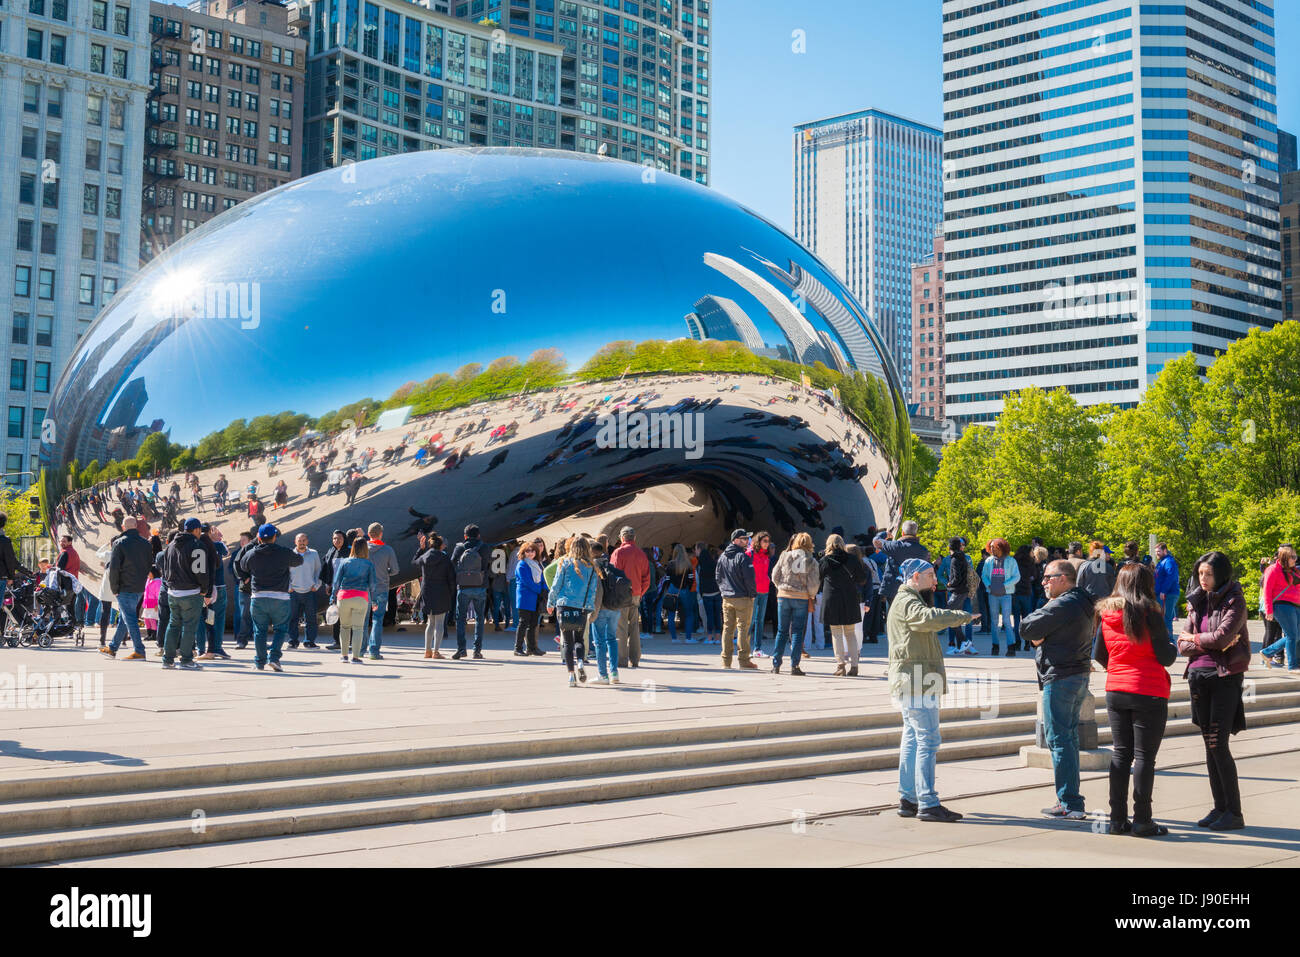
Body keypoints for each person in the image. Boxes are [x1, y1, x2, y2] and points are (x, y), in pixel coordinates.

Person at [887, 558, 977, 822]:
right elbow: (926, 618)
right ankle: (927, 801)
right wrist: (961, 616)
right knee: (927, 739)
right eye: (930, 575)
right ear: (915, 576)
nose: (935, 580)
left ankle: (909, 798)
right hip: (917, 679)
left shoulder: (905, 599)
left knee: (913, 738)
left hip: (913, 678)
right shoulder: (908, 601)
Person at [1092, 563, 1177, 837]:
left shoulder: (1107, 614)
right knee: (1143, 758)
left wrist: (1120, 666)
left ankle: (1117, 819)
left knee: (1120, 754)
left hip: (1116, 688)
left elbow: (1100, 654)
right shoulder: (1150, 612)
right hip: (1148, 689)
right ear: (1147, 584)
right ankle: (1143, 819)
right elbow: (1166, 656)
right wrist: (1174, 646)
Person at [1019, 559, 1096, 820]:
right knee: (1068, 738)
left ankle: (1070, 802)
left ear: (1064, 578)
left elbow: (1026, 627)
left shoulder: (1064, 603)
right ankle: (1071, 799)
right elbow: (1034, 632)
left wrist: (1042, 632)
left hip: (1061, 676)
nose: (1043, 582)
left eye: (1048, 577)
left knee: (1059, 740)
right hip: (1076, 674)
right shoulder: (1081, 601)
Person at [1178, 551, 1250, 831]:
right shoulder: (1196, 600)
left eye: (1207, 574)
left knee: (1219, 744)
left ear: (1220, 574)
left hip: (1224, 677)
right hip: (1198, 675)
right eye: (1199, 574)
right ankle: (1220, 807)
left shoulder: (1236, 600)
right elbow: (1181, 646)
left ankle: (1235, 812)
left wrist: (1195, 638)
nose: (1203, 579)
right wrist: (1201, 641)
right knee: (1209, 746)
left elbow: (1222, 638)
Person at [235, 523, 304, 672]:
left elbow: (242, 565)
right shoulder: (284, 552)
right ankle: (274, 658)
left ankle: (259, 663)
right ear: (274, 537)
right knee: (280, 629)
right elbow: (299, 561)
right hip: (280, 598)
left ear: (259, 538)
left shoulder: (252, 553)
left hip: (258, 597)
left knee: (259, 631)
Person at [159, 517, 214, 670]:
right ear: (196, 530)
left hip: (172, 592)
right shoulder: (197, 546)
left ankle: (167, 659)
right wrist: (204, 589)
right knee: (189, 626)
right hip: (191, 593)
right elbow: (201, 571)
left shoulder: (170, 546)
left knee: (173, 624)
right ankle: (186, 660)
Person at [547, 536, 600, 687]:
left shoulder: (564, 563)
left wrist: (550, 603)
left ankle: (571, 676)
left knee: (567, 642)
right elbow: (592, 591)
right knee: (579, 640)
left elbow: (556, 585)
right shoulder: (591, 566)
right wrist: (589, 608)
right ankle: (581, 662)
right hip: (581, 608)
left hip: (563, 606)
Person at [100, 516, 152, 660]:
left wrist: (114, 587)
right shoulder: (146, 543)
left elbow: (114, 568)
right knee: (125, 617)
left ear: (123, 527)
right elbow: (149, 564)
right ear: (135, 526)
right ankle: (112, 647)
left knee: (130, 618)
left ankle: (139, 650)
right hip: (139, 586)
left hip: (124, 586)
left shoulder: (119, 543)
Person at [770, 532, 819, 675]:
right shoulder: (811, 560)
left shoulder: (785, 555)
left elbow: (774, 575)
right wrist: (811, 595)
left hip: (784, 596)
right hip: (801, 597)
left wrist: (781, 587)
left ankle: (776, 665)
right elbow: (814, 583)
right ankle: (794, 666)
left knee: (781, 631)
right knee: (797, 631)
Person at [819, 533, 868, 676]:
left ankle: (840, 665)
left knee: (836, 633)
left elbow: (819, 577)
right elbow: (862, 579)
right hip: (849, 598)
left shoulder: (825, 560)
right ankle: (854, 666)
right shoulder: (852, 559)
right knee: (850, 633)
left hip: (832, 598)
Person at [330, 537, 379, 663]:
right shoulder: (369, 564)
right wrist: (374, 601)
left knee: (344, 627)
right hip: (361, 597)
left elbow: (336, 583)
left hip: (344, 597)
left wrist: (332, 598)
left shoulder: (344, 562)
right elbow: (373, 585)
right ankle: (356, 657)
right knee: (358, 628)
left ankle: (344, 656)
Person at [715, 529, 758, 670]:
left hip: (727, 598)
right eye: (744, 539)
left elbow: (718, 577)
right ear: (736, 540)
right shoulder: (743, 557)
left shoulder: (722, 557)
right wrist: (752, 594)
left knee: (727, 629)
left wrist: (724, 591)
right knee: (743, 629)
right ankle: (744, 660)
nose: (747, 541)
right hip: (742, 598)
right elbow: (750, 579)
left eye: (747, 539)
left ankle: (726, 661)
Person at [450, 523, 494, 660]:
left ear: (465, 536)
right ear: (479, 535)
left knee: (461, 619)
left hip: (463, 587)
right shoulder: (485, 547)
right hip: (480, 586)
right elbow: (488, 565)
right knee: (480, 618)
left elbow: (452, 563)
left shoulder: (459, 547)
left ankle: (461, 649)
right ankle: (477, 651)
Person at [610, 526, 650, 669]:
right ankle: (635, 658)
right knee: (634, 627)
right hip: (636, 594)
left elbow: (612, 575)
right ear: (634, 538)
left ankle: (622, 659)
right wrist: (640, 592)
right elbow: (647, 577)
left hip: (621, 595)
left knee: (621, 627)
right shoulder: (641, 554)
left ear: (621, 537)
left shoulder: (617, 553)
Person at [414, 532, 456, 659]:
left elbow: (414, 562)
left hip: (427, 592)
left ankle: (427, 651)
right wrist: (451, 592)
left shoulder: (425, 556)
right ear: (441, 546)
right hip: (442, 591)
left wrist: (420, 549)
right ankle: (436, 652)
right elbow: (451, 578)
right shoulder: (445, 558)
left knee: (430, 623)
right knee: (439, 623)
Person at [1259, 543, 1300, 670]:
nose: (1295, 559)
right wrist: (1269, 610)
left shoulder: (1294, 571)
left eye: (1295, 556)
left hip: (1296, 605)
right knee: (1292, 636)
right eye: (1292, 556)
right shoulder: (1272, 569)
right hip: (1282, 605)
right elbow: (1267, 591)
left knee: (1296, 635)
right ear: (1284, 557)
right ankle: (1293, 666)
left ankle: (1267, 652)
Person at [363, 523, 400, 660]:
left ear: (368, 533)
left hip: (364, 589)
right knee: (378, 619)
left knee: (363, 620)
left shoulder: (362, 549)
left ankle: (360, 650)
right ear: (381, 534)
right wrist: (385, 573)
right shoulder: (387, 549)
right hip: (381, 588)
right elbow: (395, 570)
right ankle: (374, 651)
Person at [196, 525, 230, 660]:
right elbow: (227, 552)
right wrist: (218, 538)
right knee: (218, 618)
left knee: (202, 619)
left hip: (201, 589)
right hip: (218, 587)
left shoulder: (196, 545)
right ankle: (216, 647)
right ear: (211, 531)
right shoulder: (218, 545)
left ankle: (201, 648)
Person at [980, 538, 1019, 656]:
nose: (991, 549)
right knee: (994, 621)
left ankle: (1011, 647)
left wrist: (1004, 585)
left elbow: (1016, 577)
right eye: (990, 547)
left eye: (994, 547)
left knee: (1007, 621)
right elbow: (984, 575)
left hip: (1006, 594)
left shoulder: (1011, 561)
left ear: (1001, 547)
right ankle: (995, 646)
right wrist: (989, 585)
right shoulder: (988, 561)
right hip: (992, 594)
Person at [938, 537, 976, 653]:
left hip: (961, 592)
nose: (963, 546)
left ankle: (966, 643)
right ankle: (956, 644)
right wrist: (947, 584)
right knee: (953, 618)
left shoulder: (965, 558)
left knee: (956, 617)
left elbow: (968, 576)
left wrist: (951, 583)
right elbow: (940, 575)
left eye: (964, 544)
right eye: (961, 544)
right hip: (955, 591)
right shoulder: (947, 559)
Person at [286, 533, 323, 650]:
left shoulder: (313, 553)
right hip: (294, 592)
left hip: (309, 591)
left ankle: (309, 642)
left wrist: (316, 585)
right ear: (295, 542)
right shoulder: (290, 555)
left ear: (307, 541)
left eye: (303, 540)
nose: (301, 542)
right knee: (292, 618)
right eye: (299, 540)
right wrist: (289, 587)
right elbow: (284, 573)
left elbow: (318, 571)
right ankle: (293, 641)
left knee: (311, 618)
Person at [513, 540, 546, 657]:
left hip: (535, 598)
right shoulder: (522, 564)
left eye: (532, 551)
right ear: (524, 552)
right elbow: (526, 582)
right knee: (523, 623)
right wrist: (540, 590)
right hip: (525, 598)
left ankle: (532, 648)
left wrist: (545, 589)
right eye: (528, 551)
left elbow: (542, 579)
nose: (530, 553)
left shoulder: (537, 564)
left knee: (533, 624)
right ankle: (518, 648)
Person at [662, 543, 696, 644]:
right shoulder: (688, 564)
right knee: (689, 614)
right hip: (684, 590)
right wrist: (687, 588)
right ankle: (688, 638)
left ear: (674, 552)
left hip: (672, 590)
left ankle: (674, 638)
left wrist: (669, 590)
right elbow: (691, 580)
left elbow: (667, 580)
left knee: (671, 615)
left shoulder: (670, 564)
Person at [748, 531, 773, 657]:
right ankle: (745, 648)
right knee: (750, 620)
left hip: (764, 590)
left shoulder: (766, 556)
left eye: (768, 541)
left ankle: (757, 649)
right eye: (765, 541)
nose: (767, 544)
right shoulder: (750, 553)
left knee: (760, 620)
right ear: (758, 541)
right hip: (753, 591)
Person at [1153, 542, 1180, 635]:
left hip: (1167, 595)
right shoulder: (1162, 562)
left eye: (1159, 551)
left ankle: (1169, 643)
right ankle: (1166, 642)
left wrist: (1163, 591)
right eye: (1156, 552)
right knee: (1162, 619)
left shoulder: (1169, 561)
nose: (1157, 553)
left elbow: (1170, 577)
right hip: (1162, 594)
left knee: (1166, 620)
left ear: (1165, 550)